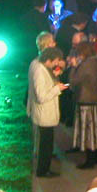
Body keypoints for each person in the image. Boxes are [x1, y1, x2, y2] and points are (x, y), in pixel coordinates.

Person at [28, 46, 66, 178]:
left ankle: (44, 169)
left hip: (45, 114)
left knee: (47, 144)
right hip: (44, 115)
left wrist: (55, 76)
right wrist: (57, 89)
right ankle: (43, 171)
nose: (57, 63)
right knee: (46, 145)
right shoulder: (40, 71)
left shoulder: (42, 67)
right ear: (48, 60)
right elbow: (41, 96)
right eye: (55, 61)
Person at [70, 41, 97, 169]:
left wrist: (74, 67)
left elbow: (73, 82)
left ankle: (90, 160)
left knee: (88, 132)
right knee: (96, 130)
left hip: (85, 100)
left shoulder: (85, 65)